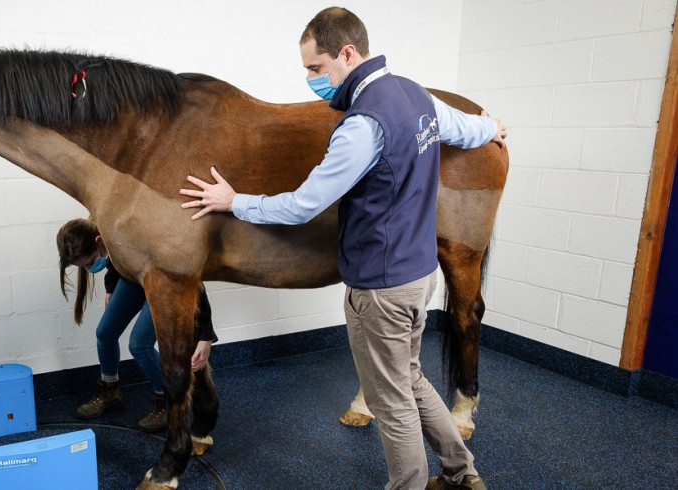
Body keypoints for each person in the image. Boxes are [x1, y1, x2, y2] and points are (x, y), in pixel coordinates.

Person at [179, 7, 506, 490]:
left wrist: (234, 201)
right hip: (419, 278)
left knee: (391, 401)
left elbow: (303, 205)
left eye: (316, 68)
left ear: (347, 53)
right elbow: (465, 128)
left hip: (380, 288)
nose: (312, 79)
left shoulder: (362, 125)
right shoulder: (416, 95)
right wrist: (493, 127)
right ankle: (462, 473)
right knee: (411, 380)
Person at [57, 218, 217, 431]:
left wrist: (206, 336)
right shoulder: (110, 232)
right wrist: (111, 288)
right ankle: (110, 392)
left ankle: (168, 402)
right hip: (134, 278)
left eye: (89, 262)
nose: (89, 269)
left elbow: (195, 282)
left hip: (165, 281)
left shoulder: (141, 238)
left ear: (98, 242)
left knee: (139, 344)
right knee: (105, 333)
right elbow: (116, 258)